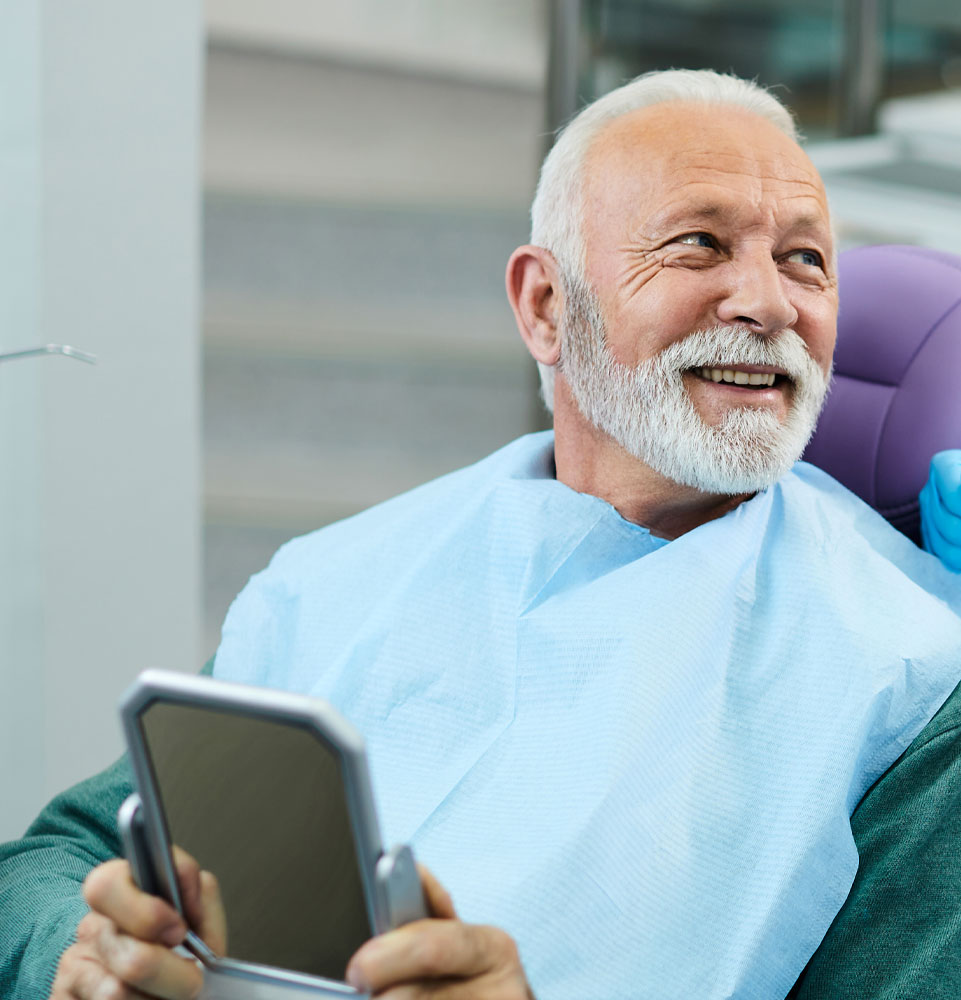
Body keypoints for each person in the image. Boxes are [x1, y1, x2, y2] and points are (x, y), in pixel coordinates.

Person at [3, 68, 961, 1000]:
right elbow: (56, 858)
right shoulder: (339, 579)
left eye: (805, 258)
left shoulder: (913, 689)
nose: (769, 304)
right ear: (546, 306)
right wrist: (76, 960)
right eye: (701, 244)